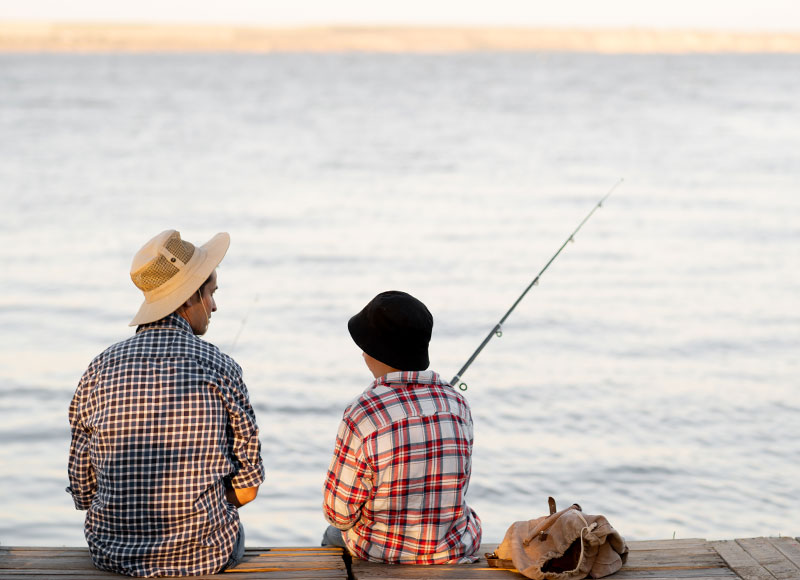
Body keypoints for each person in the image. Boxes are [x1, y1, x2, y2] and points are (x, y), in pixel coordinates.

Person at [67, 230, 265, 577]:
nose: (215, 306)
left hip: (111, 554)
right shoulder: (220, 365)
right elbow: (247, 489)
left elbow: (83, 494)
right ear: (191, 297)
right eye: (211, 293)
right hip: (203, 557)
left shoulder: (99, 367)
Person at [322, 290, 482, 564]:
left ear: (374, 351)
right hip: (453, 548)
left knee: (332, 532)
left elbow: (339, 512)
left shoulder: (362, 413)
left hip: (383, 553)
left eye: (364, 345)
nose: (361, 352)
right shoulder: (458, 404)